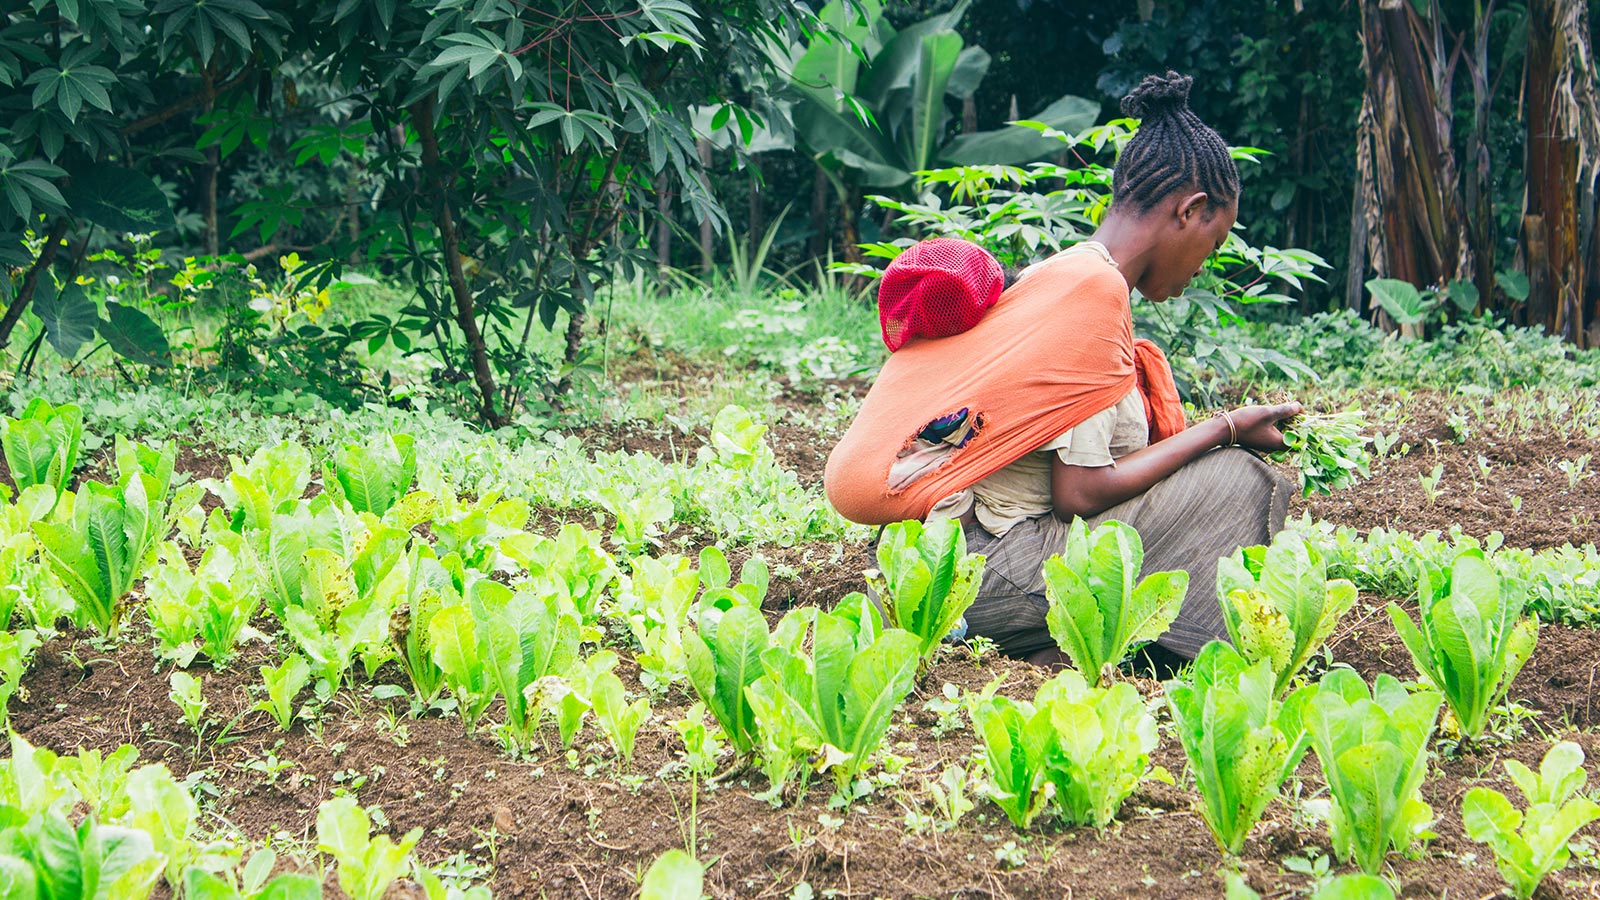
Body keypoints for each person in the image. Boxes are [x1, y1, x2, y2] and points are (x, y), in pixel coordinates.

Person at [824, 71, 1299, 671]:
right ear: (1191, 211)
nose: (1204, 265)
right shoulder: (1095, 296)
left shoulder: (1068, 272)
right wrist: (1224, 428)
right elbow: (1080, 494)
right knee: (1240, 479)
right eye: (1213, 241)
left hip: (933, 562)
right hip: (981, 573)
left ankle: (1071, 648)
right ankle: (1126, 648)